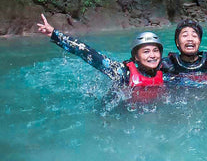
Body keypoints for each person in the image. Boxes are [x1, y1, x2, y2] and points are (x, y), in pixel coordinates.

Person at [36, 14, 165, 101]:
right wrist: (55, 34)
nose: (152, 55)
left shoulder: (165, 73)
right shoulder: (122, 72)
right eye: (146, 51)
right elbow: (88, 53)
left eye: (155, 51)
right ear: (136, 57)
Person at [161, 19, 207, 85]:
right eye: (185, 35)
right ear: (177, 42)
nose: (190, 39)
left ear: (199, 42)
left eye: (194, 36)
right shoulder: (167, 64)